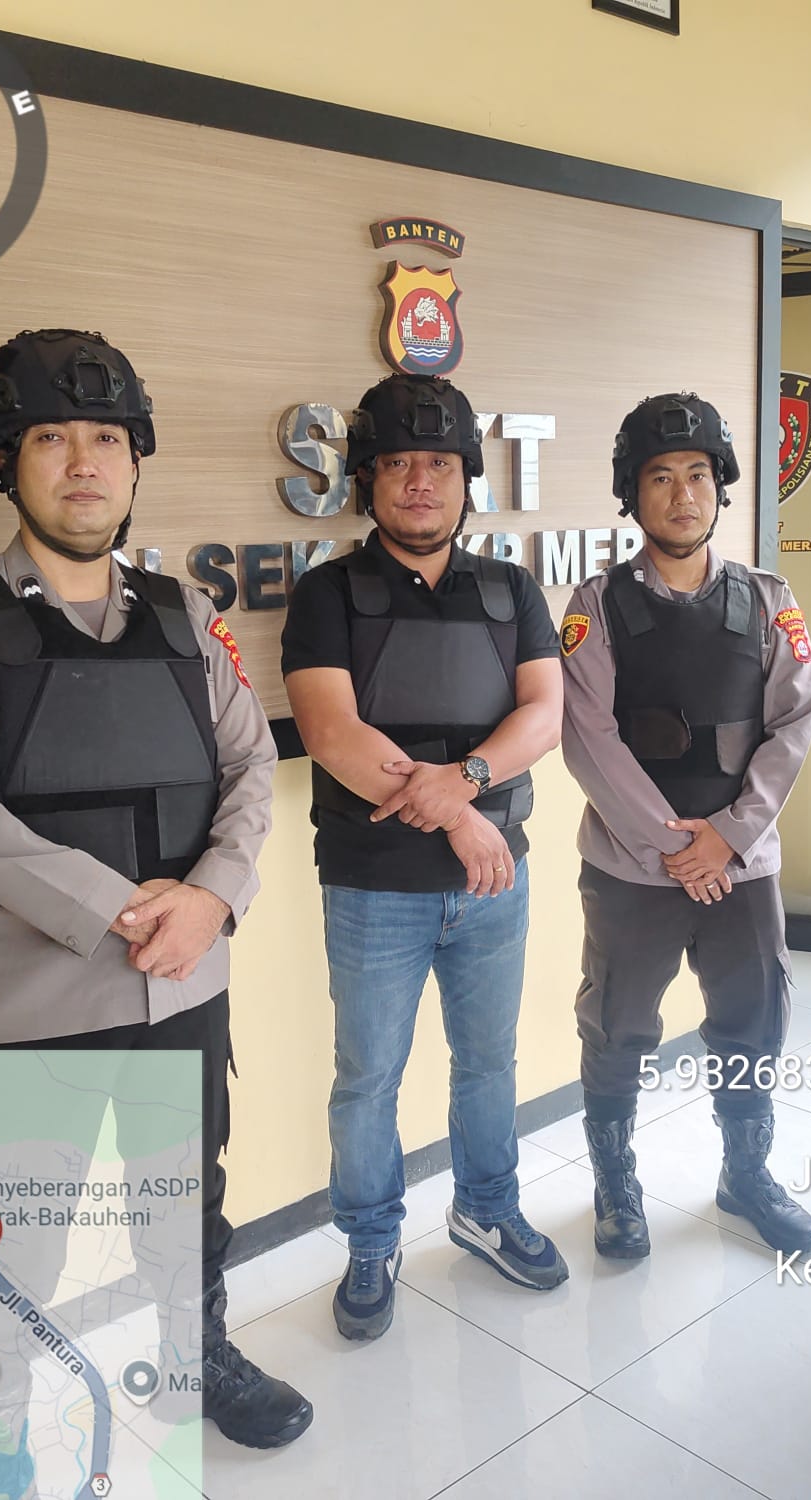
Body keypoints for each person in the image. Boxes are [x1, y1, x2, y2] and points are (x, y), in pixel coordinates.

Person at [0, 328, 313, 1452]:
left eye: (108, 439)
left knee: (185, 1201)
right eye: (52, 438)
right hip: (43, 998)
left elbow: (251, 767)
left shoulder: (186, 616)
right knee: (18, 1233)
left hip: (188, 978)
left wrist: (211, 898)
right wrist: (130, 911)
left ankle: (197, 1360)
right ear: (6, 458)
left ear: (135, 461)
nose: (84, 462)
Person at [281, 372, 567, 1343]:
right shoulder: (327, 594)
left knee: (489, 1062)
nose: (418, 481)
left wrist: (470, 781)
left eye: (439, 464)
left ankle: (486, 1209)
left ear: (466, 478)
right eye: (398, 462)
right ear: (366, 478)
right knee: (368, 1077)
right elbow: (331, 732)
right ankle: (371, 1242)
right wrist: (460, 818)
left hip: (494, 884)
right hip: (376, 887)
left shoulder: (511, 590)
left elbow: (545, 714)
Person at [559, 392, 811, 1261]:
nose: (683, 495)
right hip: (635, 867)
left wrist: (729, 837)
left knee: (753, 1018)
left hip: (741, 864)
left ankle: (746, 1175)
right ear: (632, 495)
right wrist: (680, 846)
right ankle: (616, 1183)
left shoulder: (768, 600)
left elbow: (795, 721)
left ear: (721, 486)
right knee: (618, 1024)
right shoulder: (596, 606)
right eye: (661, 478)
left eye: (699, 476)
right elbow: (588, 736)